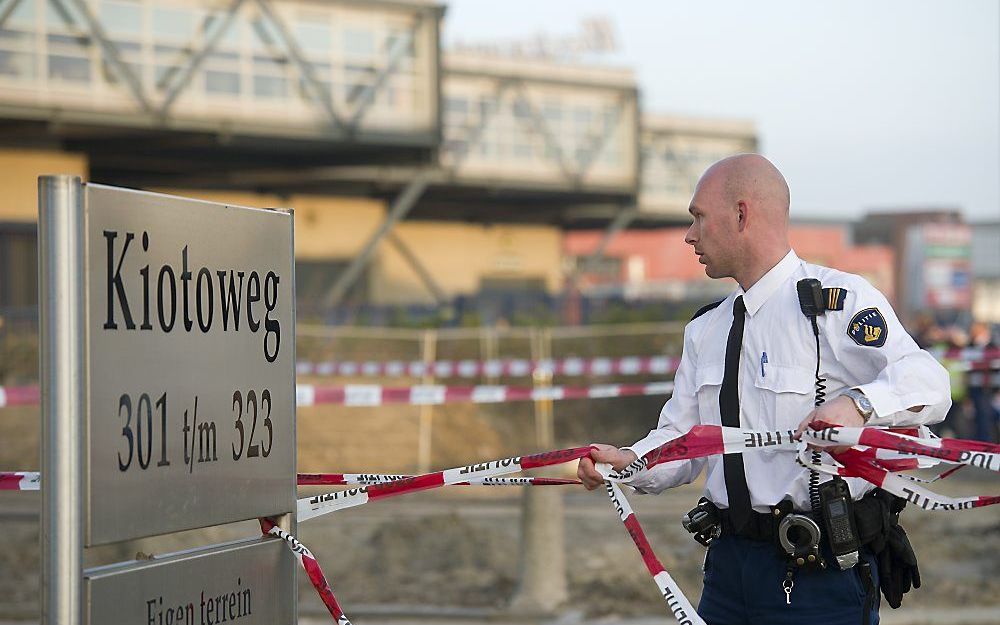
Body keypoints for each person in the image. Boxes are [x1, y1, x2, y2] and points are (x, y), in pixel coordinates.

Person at [577, 154, 951, 625]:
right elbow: (683, 443)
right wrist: (628, 463)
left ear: (741, 214)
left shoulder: (836, 302)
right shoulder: (706, 330)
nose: (689, 235)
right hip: (728, 573)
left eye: (698, 217)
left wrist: (858, 405)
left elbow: (931, 382)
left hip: (818, 574)